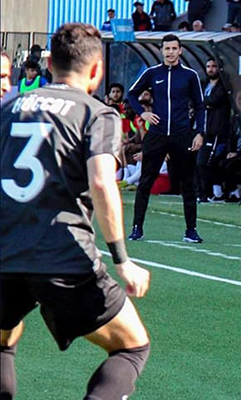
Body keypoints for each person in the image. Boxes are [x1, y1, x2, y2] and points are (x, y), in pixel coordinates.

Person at [0, 23, 150, 400]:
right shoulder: (97, 113)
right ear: (97, 70)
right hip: (62, 257)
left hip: (5, 253)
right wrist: (122, 260)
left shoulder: (8, 107)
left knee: (3, 339)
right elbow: (101, 181)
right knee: (132, 346)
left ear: (49, 63)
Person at [127, 34, 205, 243]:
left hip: (182, 135)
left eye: (174, 48)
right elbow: (131, 94)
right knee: (145, 181)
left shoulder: (190, 75)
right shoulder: (152, 73)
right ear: (161, 50)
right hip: (157, 135)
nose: (170, 52)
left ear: (180, 51)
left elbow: (199, 106)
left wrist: (199, 132)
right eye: (167, 48)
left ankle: (191, 231)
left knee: (188, 183)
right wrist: (142, 113)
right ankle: (137, 228)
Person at [197, 57, 232, 203]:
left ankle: (212, 193)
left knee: (207, 162)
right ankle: (204, 193)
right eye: (208, 66)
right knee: (199, 162)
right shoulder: (204, 85)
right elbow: (196, 100)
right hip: (203, 130)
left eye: (214, 66)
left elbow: (214, 100)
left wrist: (204, 102)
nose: (211, 69)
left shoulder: (224, 86)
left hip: (216, 131)